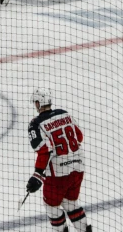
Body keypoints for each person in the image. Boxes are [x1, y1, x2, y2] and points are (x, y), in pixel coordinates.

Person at [25, 87, 91, 232]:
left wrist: (37, 176)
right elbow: (79, 136)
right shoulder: (64, 114)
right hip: (78, 168)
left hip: (58, 174)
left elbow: (44, 150)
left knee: (51, 206)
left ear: (38, 103)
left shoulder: (35, 124)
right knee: (70, 203)